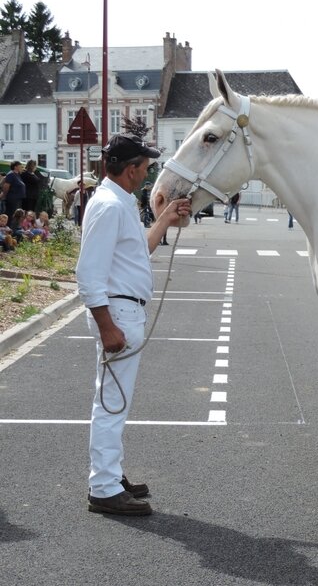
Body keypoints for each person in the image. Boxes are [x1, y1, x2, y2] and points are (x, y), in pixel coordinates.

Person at [76, 133, 191, 516]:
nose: (147, 174)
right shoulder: (110, 206)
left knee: (113, 401)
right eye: (145, 168)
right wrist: (107, 327)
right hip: (119, 313)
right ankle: (104, 486)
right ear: (130, 169)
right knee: (112, 402)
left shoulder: (117, 201)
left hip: (125, 310)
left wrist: (164, 219)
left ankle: (110, 474)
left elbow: (136, 250)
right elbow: (89, 274)